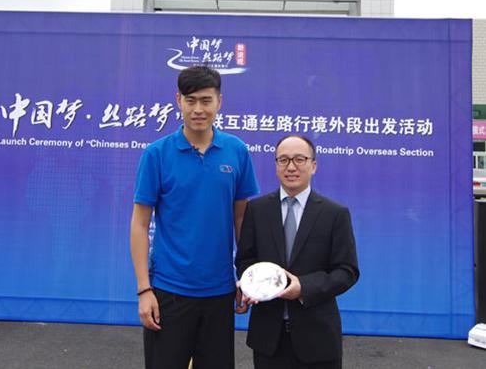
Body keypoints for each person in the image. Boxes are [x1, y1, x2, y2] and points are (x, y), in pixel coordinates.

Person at [130, 65, 259, 369]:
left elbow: (242, 220)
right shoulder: (157, 154)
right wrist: (144, 289)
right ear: (178, 100)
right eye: (190, 100)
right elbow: (139, 224)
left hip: (219, 291)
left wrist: (246, 277)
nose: (198, 109)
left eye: (206, 100)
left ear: (219, 102)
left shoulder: (236, 151)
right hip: (169, 291)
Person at [235, 135, 359, 369]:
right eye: (283, 160)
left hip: (318, 338)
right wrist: (251, 284)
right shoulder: (257, 210)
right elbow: (245, 260)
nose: (291, 167)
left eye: (299, 159)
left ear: (313, 165)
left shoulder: (335, 214)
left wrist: (303, 287)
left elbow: (347, 271)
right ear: (276, 166)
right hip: (268, 338)